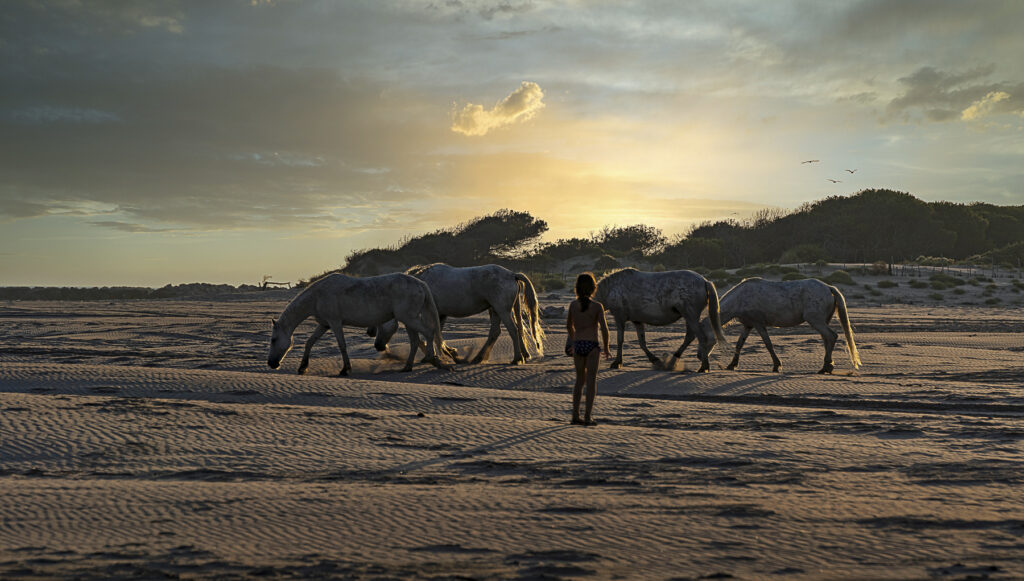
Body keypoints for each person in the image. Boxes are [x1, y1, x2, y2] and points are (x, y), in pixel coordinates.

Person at [566, 272, 610, 426]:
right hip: (592, 346)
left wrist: (573, 341)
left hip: (578, 345)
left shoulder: (573, 305)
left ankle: (575, 415)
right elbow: (604, 329)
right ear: (593, 288)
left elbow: (569, 326)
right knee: (591, 382)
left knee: (579, 381)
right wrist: (606, 347)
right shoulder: (597, 306)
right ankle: (587, 416)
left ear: (577, 288)